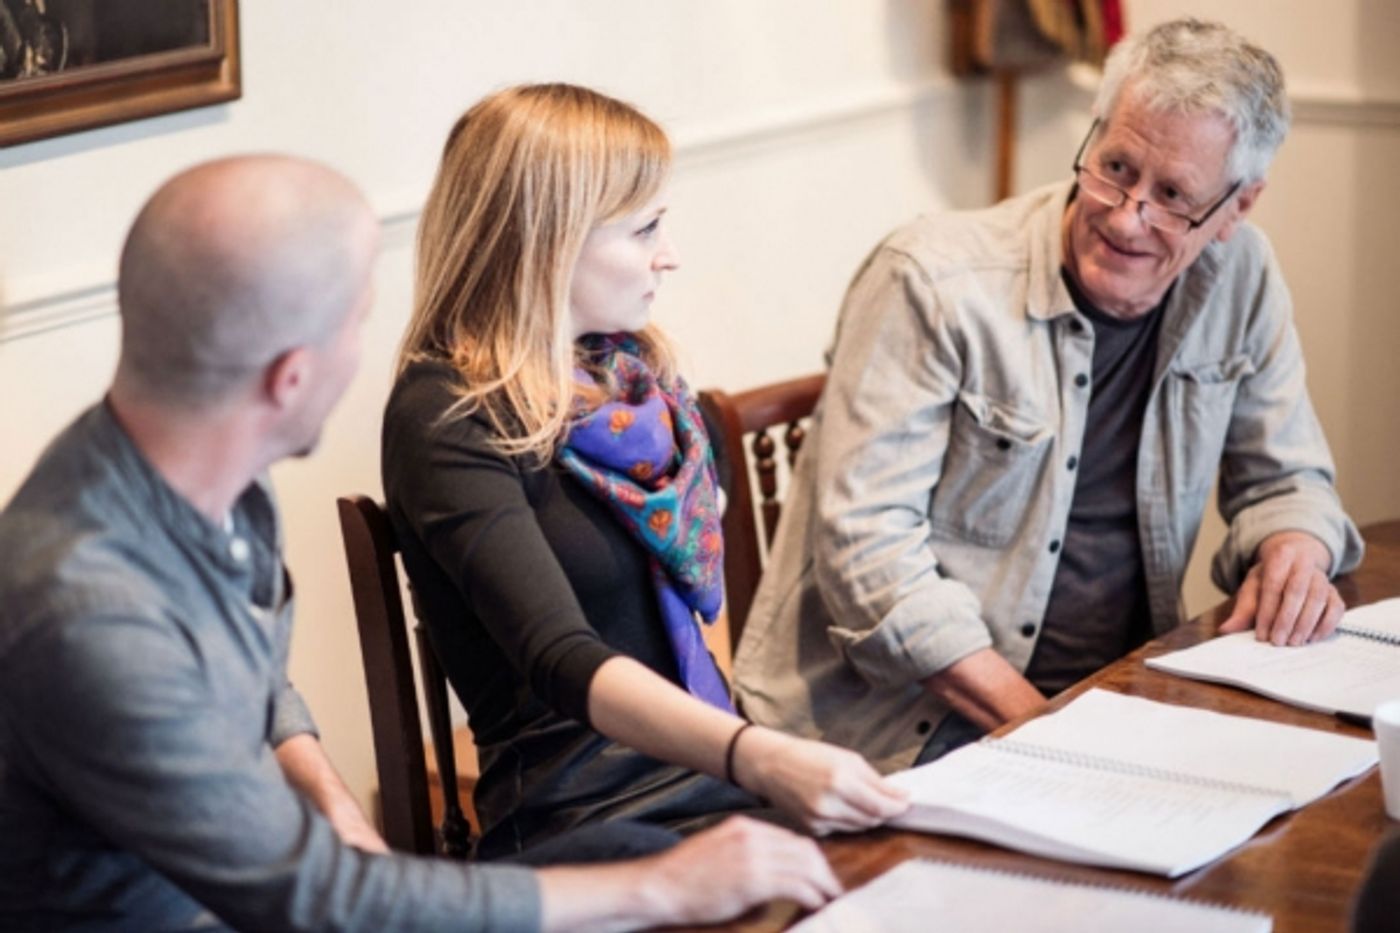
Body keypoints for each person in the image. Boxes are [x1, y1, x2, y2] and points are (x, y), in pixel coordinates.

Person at [0, 154, 846, 932]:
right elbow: (318, 899)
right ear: (290, 377)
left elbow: (254, 673)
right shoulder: (90, 614)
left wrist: (336, 808)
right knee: (647, 872)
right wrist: (662, 886)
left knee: (634, 853)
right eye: (354, 323)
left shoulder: (179, 465)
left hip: (276, 889)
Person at [733, 18, 1365, 774]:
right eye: (1116, 167)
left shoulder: (1242, 276)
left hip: (1113, 699)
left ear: (1238, 207)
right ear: (1095, 130)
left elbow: (1287, 478)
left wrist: (1295, 547)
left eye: (1173, 196)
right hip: (900, 731)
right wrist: (1052, 732)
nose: (1127, 217)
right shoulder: (930, 280)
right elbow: (869, 556)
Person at [382, 83, 908, 860]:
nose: (670, 254)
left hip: (717, 781)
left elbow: (698, 606)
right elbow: (561, 658)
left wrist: (752, 755)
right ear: (549, 240)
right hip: (586, 815)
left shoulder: (639, 386)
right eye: (645, 228)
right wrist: (755, 753)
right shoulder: (448, 414)